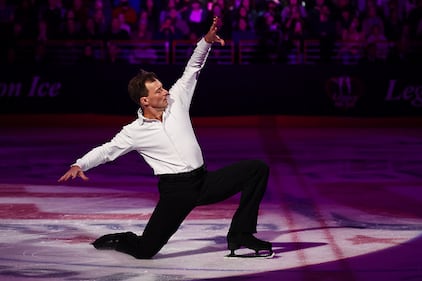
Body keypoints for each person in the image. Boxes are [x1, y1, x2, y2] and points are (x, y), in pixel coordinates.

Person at [58, 17, 273, 259]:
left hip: (203, 182)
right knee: (145, 251)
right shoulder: (134, 131)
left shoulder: (176, 101)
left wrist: (206, 42)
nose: (166, 91)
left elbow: (192, 69)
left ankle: (241, 234)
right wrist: (80, 163)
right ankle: (121, 239)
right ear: (145, 101)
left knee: (256, 169)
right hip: (176, 193)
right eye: (159, 90)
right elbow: (107, 150)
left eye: (163, 87)